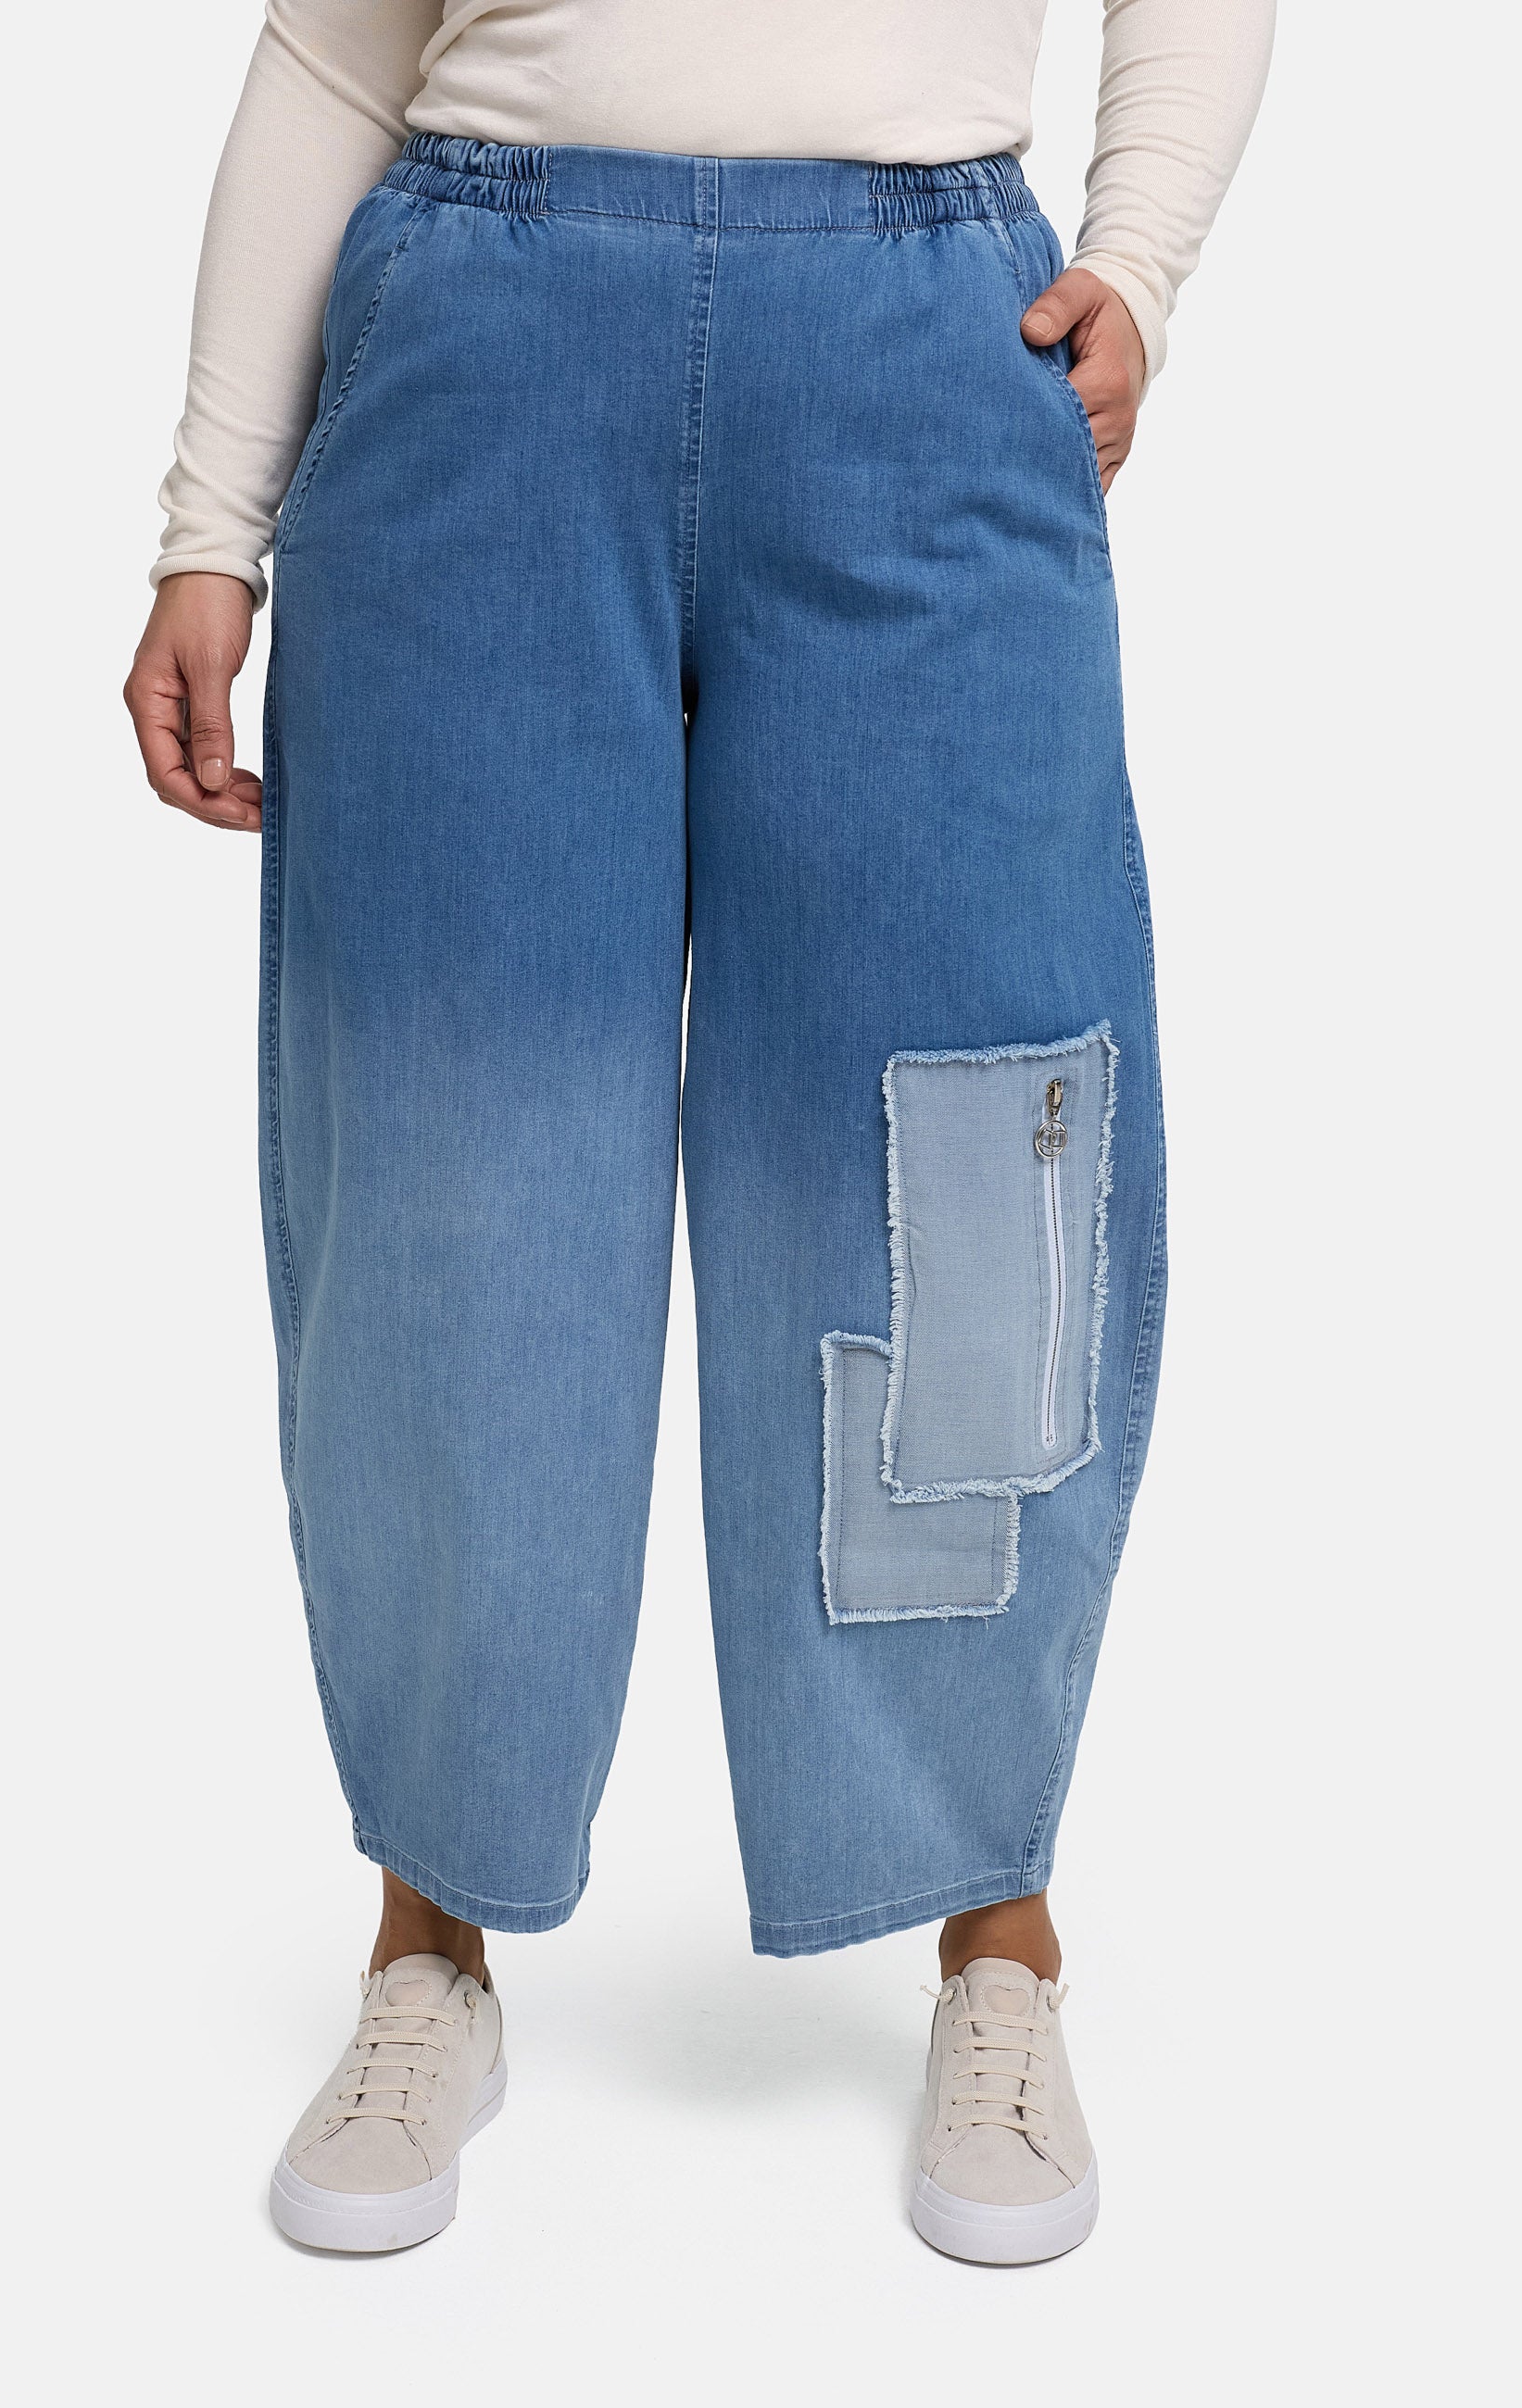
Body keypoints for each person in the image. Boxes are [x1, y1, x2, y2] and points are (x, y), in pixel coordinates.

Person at [125, 0, 1272, 2264]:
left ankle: (994, 1927)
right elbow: (335, 53)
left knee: (958, 1166)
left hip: (927, 352)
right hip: (477, 357)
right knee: (452, 1175)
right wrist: (206, 527)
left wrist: (1135, 261)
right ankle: (431, 1943)